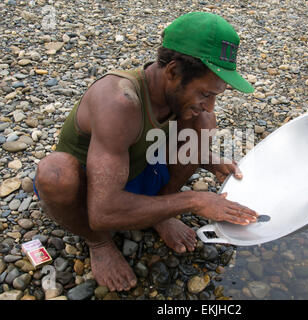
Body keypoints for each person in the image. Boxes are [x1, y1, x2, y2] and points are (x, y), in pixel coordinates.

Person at [34, 12, 258, 292]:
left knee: (202, 123)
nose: (210, 104)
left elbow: (157, 138)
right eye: (205, 94)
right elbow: (103, 211)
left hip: (136, 170)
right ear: (173, 72)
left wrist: (207, 160)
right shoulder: (119, 101)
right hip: (91, 192)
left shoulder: (173, 95)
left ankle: (159, 212)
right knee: (55, 173)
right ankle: (99, 242)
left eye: (215, 95)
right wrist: (193, 200)